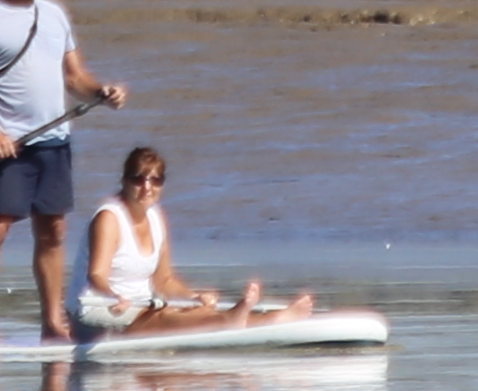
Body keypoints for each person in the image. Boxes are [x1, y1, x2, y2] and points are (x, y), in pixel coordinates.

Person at [0, 0, 124, 346]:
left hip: (54, 141)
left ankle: (52, 323)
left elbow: (75, 77)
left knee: (53, 231)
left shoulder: (54, 15)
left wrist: (100, 92)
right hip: (8, 145)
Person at [76, 144, 313, 339]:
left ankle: (267, 318)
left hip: (142, 307)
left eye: (155, 180)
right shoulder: (109, 218)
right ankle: (244, 319)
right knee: (167, 317)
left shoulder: (156, 217)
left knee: (193, 311)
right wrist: (114, 296)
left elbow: (164, 280)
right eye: (138, 179)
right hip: (99, 308)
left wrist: (193, 297)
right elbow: (96, 275)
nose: (147, 187)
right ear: (125, 181)